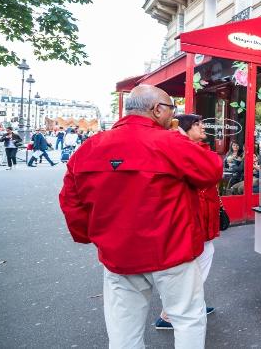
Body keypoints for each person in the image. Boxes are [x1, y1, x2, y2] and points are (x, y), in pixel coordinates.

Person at [58, 85, 222, 349]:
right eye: (172, 110)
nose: (174, 116)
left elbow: (70, 200)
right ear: (157, 109)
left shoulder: (90, 147)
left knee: (124, 331)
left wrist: (92, 236)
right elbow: (211, 170)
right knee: (188, 320)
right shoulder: (170, 142)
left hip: (119, 256)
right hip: (172, 251)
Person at [155, 113, 220, 330]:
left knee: (202, 257)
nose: (203, 128)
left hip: (201, 215)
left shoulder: (196, 148)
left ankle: (189, 304)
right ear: (186, 128)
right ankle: (171, 313)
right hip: (192, 217)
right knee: (191, 264)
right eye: (198, 125)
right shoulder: (183, 149)